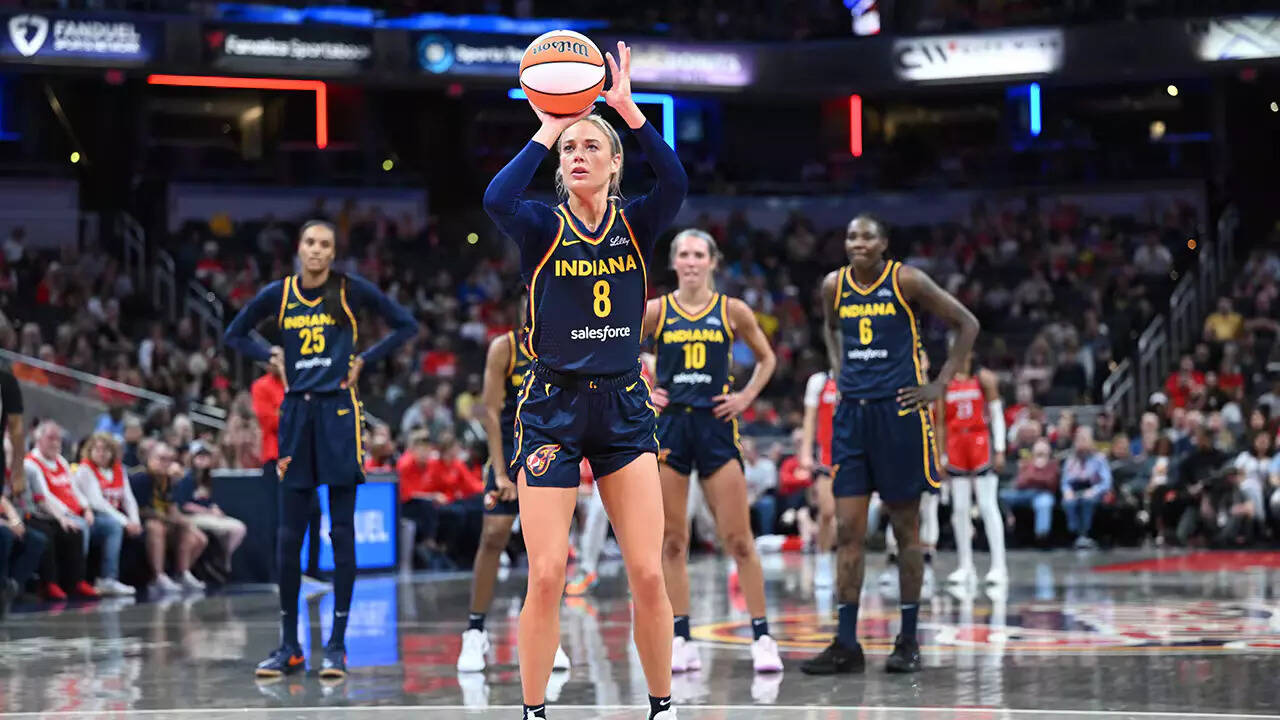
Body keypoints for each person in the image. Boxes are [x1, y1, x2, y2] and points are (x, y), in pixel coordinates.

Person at [483, 40, 686, 720]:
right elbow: (496, 196)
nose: (576, 155)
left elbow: (676, 183)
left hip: (624, 405)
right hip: (552, 407)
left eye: (590, 146)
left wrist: (628, 112)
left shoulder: (637, 222)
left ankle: (662, 706)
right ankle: (533, 712)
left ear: (615, 162)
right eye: (569, 149)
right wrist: (549, 123)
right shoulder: (540, 225)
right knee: (546, 575)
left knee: (648, 572)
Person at [226, 219, 416, 680]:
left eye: (325, 244)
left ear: (333, 252)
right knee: (288, 536)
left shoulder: (350, 289)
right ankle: (289, 646)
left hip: (339, 414)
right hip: (296, 414)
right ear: (299, 248)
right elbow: (234, 333)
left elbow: (405, 325)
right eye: (310, 242)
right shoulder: (279, 294)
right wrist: (267, 355)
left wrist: (364, 360)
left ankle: (336, 647)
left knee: (342, 533)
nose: (316, 250)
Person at [800, 214, 978, 676]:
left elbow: (967, 323)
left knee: (905, 531)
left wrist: (940, 385)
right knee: (848, 531)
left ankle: (908, 639)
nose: (857, 242)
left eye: (867, 236)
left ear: (883, 243)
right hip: (852, 416)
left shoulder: (907, 280)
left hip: (899, 414)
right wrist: (838, 369)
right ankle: (846, 643)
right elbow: (831, 329)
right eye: (851, 236)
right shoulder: (833, 286)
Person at [643, 228, 782, 674]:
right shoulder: (657, 310)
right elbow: (618, 350)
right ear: (673, 262)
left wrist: (746, 397)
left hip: (716, 426)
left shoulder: (732, 309)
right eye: (683, 254)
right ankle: (681, 638)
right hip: (671, 427)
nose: (690, 261)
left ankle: (762, 636)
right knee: (672, 541)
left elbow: (767, 358)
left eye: (698, 254)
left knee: (739, 539)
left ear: (713, 262)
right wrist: (643, 389)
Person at [457, 318, 571, 674]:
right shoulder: (504, 347)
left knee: (549, 549)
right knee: (494, 534)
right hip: (508, 447)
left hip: (550, 446)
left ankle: (549, 635)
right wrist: (501, 473)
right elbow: (490, 412)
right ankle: (475, 630)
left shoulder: (565, 342)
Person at [937, 353, 1007, 587]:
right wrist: (941, 456)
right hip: (956, 443)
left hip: (980, 441)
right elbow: (940, 422)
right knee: (959, 509)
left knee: (987, 505)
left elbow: (996, 414)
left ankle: (999, 566)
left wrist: (1000, 448)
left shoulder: (984, 378)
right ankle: (965, 566)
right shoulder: (946, 381)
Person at [23, 422, 100, 599]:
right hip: (37, 513)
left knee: (75, 531)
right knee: (56, 531)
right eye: (51, 438)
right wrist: (64, 514)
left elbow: (73, 489)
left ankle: (77, 581)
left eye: (58, 439)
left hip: (59, 512)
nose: (56, 443)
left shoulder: (61, 461)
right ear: (38, 439)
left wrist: (85, 507)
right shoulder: (30, 463)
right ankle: (50, 583)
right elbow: (44, 497)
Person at [130, 441, 207, 595]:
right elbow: (139, 510)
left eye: (169, 460)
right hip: (140, 524)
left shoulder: (168, 480)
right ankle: (158, 577)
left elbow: (172, 507)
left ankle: (182, 574)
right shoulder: (140, 478)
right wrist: (167, 518)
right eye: (161, 459)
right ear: (150, 458)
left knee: (198, 537)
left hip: (163, 521)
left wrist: (181, 520)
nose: (165, 463)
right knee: (156, 527)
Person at [72, 432, 142, 597]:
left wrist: (135, 521)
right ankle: (106, 578)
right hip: (91, 516)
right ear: (90, 451)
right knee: (113, 526)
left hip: (114, 515)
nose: (101, 453)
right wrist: (125, 522)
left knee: (135, 531)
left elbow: (128, 498)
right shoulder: (85, 469)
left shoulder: (119, 469)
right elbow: (98, 503)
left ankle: (127, 578)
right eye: (97, 449)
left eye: (105, 450)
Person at [175, 442, 248, 578]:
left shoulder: (208, 479)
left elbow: (209, 501)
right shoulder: (186, 478)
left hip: (207, 516)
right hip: (190, 517)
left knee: (239, 529)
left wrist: (214, 508)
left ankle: (223, 559)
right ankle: (215, 562)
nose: (203, 460)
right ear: (192, 458)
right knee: (210, 536)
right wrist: (207, 511)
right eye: (199, 456)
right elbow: (184, 505)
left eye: (206, 456)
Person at [798, 369, 838, 588]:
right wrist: (805, 452)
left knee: (851, 519)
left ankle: (848, 567)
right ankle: (823, 561)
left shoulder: (860, 376)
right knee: (827, 512)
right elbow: (809, 419)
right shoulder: (820, 381)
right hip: (827, 458)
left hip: (854, 456)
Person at [1060, 426, 1112, 550]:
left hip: (1093, 490)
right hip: (1075, 490)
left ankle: (1085, 534)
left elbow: (1106, 482)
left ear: (1091, 441)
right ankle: (1074, 533)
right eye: (1078, 440)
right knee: (1069, 502)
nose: (1081, 443)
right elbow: (1065, 481)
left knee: (1087, 501)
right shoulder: (1071, 460)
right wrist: (1067, 491)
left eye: (1084, 439)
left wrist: (1094, 490)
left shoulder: (1099, 459)